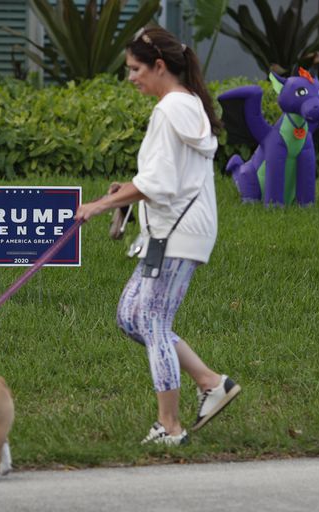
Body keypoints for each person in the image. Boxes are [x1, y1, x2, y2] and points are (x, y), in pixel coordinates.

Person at [75, 26, 241, 445]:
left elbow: (159, 183)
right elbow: (165, 178)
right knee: (131, 317)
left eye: (135, 69)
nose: (131, 77)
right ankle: (210, 382)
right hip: (173, 231)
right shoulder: (183, 106)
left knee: (150, 319)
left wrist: (98, 205)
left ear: (160, 66)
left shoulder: (171, 110)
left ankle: (170, 426)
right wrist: (125, 192)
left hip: (178, 233)